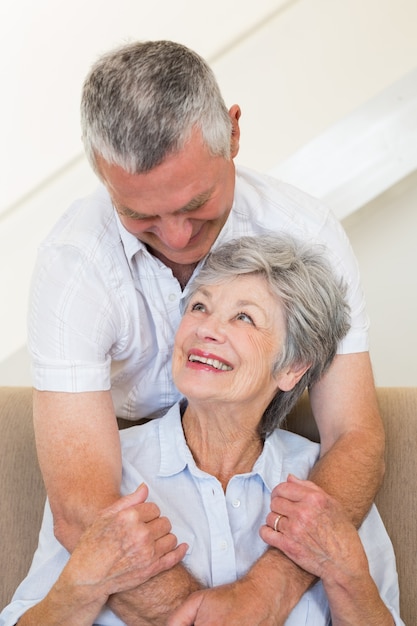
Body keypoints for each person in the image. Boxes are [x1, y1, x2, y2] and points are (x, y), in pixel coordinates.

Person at [28, 40, 385, 624]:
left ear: (233, 134)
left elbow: (356, 433)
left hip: (265, 422)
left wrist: (264, 593)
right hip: (126, 448)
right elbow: (80, 506)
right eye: (140, 216)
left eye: (196, 204)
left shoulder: (305, 231)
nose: (174, 237)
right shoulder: (74, 265)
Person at [1, 235, 401, 626]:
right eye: (198, 307)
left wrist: (348, 579)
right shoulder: (106, 474)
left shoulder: (326, 488)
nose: (206, 329)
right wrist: (79, 588)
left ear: (292, 367)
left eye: (244, 316)